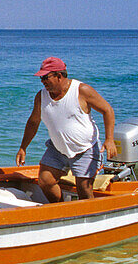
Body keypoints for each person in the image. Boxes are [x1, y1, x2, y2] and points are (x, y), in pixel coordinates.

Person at [15, 57, 116, 202]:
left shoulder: (81, 90)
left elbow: (107, 110)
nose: (42, 81)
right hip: (57, 148)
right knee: (45, 180)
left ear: (59, 76)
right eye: (41, 78)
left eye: (45, 77)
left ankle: (87, 219)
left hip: (85, 148)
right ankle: (60, 209)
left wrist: (109, 139)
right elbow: (33, 122)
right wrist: (23, 147)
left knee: (84, 190)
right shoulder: (41, 96)